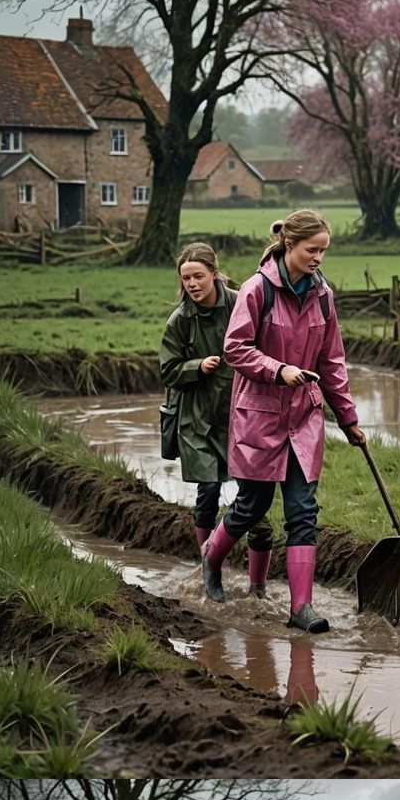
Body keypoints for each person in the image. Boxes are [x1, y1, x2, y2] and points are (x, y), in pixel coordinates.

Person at [208, 210, 364, 631]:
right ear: (289, 245)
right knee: (251, 506)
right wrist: (279, 370)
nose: (319, 258)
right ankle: (211, 559)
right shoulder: (257, 290)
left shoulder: (324, 296)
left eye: (324, 251)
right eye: (312, 249)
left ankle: (301, 608)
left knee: (303, 511)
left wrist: (348, 418)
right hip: (259, 416)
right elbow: (235, 348)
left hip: (304, 419)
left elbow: (332, 362)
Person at [158, 245, 245, 571]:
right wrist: (197, 366)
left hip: (238, 413)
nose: (192, 284)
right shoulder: (180, 320)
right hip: (196, 417)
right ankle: (208, 565)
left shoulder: (239, 303)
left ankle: (256, 581)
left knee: (252, 494)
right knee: (208, 488)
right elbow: (167, 371)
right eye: (186, 278)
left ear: (214, 274)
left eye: (198, 276)